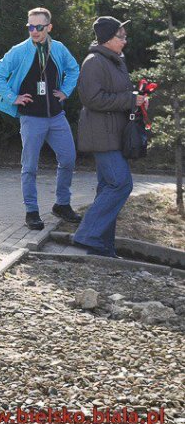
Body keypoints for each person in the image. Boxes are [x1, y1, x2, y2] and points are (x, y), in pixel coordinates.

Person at [0, 7, 82, 230]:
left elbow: (74, 69)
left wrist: (66, 91)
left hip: (56, 117)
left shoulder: (58, 48)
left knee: (68, 158)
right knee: (30, 166)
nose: (34, 31)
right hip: (32, 119)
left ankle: (62, 204)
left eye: (39, 27)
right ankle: (31, 211)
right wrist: (13, 97)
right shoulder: (19, 51)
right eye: (30, 26)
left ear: (49, 27)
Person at [73, 17, 145, 258]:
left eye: (124, 36)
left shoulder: (116, 61)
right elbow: (91, 99)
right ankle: (87, 235)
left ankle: (103, 247)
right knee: (121, 184)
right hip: (101, 135)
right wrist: (129, 100)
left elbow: (116, 94)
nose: (125, 41)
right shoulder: (94, 62)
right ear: (107, 39)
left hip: (114, 134)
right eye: (120, 36)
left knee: (107, 187)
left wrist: (136, 97)